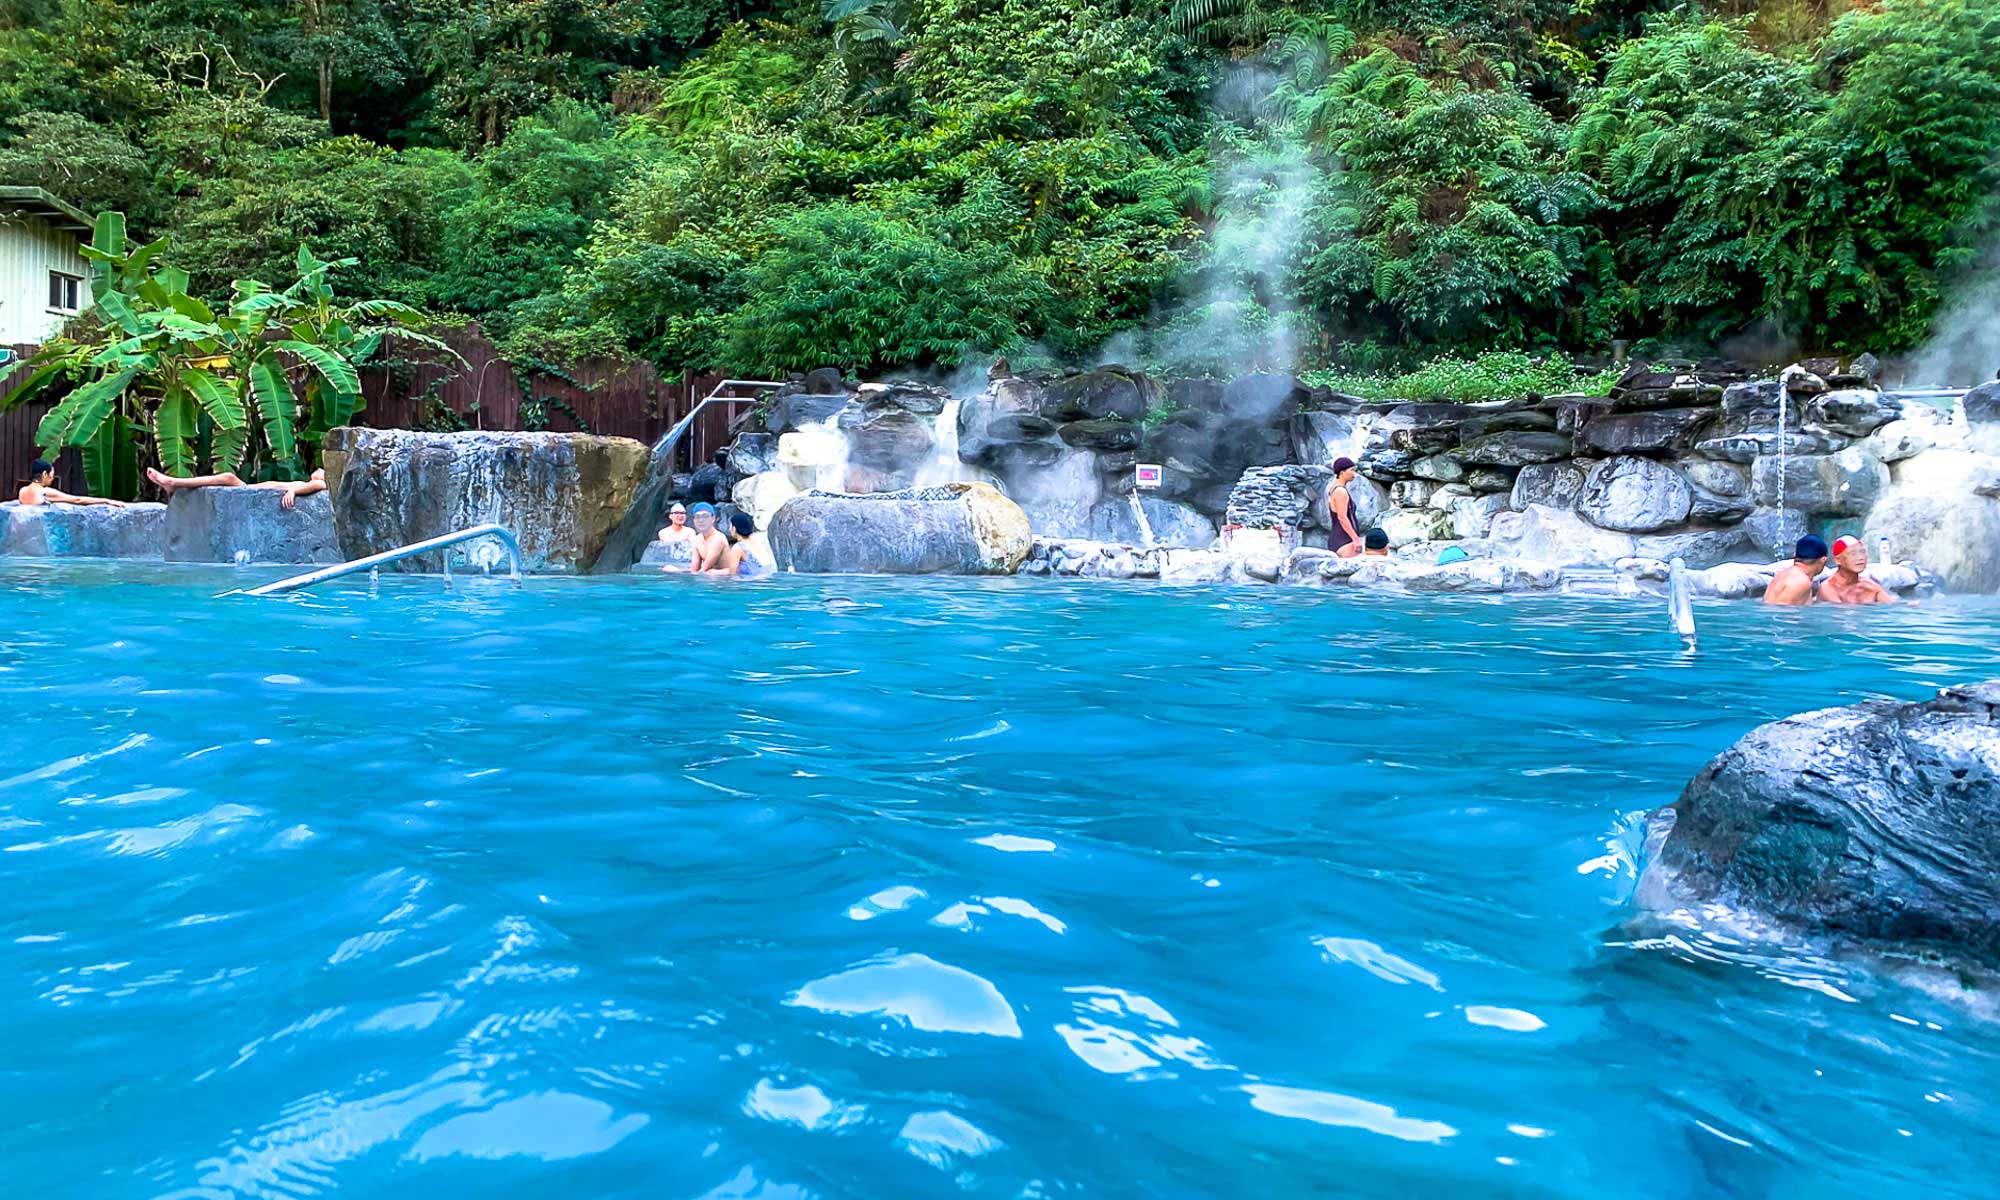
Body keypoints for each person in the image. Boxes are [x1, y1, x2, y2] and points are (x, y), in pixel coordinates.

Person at [145, 466, 326, 511]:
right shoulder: (307, 483)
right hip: (250, 491)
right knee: (226, 478)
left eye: (323, 470)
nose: (318, 469)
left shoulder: (323, 484)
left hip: (250, 493)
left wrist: (293, 491)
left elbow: (318, 484)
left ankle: (174, 482)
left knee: (228, 477)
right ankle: (173, 484)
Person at [1818, 536, 1896, 605]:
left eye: (1862, 552)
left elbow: (1893, 608)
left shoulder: (1870, 586)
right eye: (1853, 554)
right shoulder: (1828, 588)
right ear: (1838, 560)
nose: (1860, 557)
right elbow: (1841, 617)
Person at [17, 459, 124, 507]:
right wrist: (107, 501)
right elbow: (77, 500)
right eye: (52, 474)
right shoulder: (45, 492)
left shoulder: (22, 491)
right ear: (45, 474)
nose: (52, 478)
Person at [1762, 535, 1829, 606]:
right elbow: (1783, 614)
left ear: (1794, 555)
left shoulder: (1781, 575)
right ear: (1823, 560)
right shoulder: (1802, 581)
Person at [1324, 457, 1364, 557]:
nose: (1353, 474)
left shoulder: (1336, 488)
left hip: (1343, 538)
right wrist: (1355, 538)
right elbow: (1342, 517)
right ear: (1342, 473)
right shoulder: (1340, 491)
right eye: (1351, 470)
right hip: (1344, 540)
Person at [711, 511, 770, 578]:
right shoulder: (759, 541)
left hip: (752, 583)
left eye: (730, 526)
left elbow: (732, 574)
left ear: (734, 528)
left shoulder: (738, 548)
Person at [686, 502, 729, 573]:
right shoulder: (696, 540)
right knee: (669, 568)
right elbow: (694, 569)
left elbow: (704, 569)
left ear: (713, 518)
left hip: (725, 578)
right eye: (697, 517)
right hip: (707, 576)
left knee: (712, 573)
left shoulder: (718, 538)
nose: (701, 520)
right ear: (694, 520)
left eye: (705, 516)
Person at [655, 502, 699, 571]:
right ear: (670, 516)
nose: (680, 516)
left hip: (685, 563)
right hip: (669, 562)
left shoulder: (690, 532)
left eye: (682, 513)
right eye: (677, 513)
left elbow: (691, 550)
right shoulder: (663, 532)